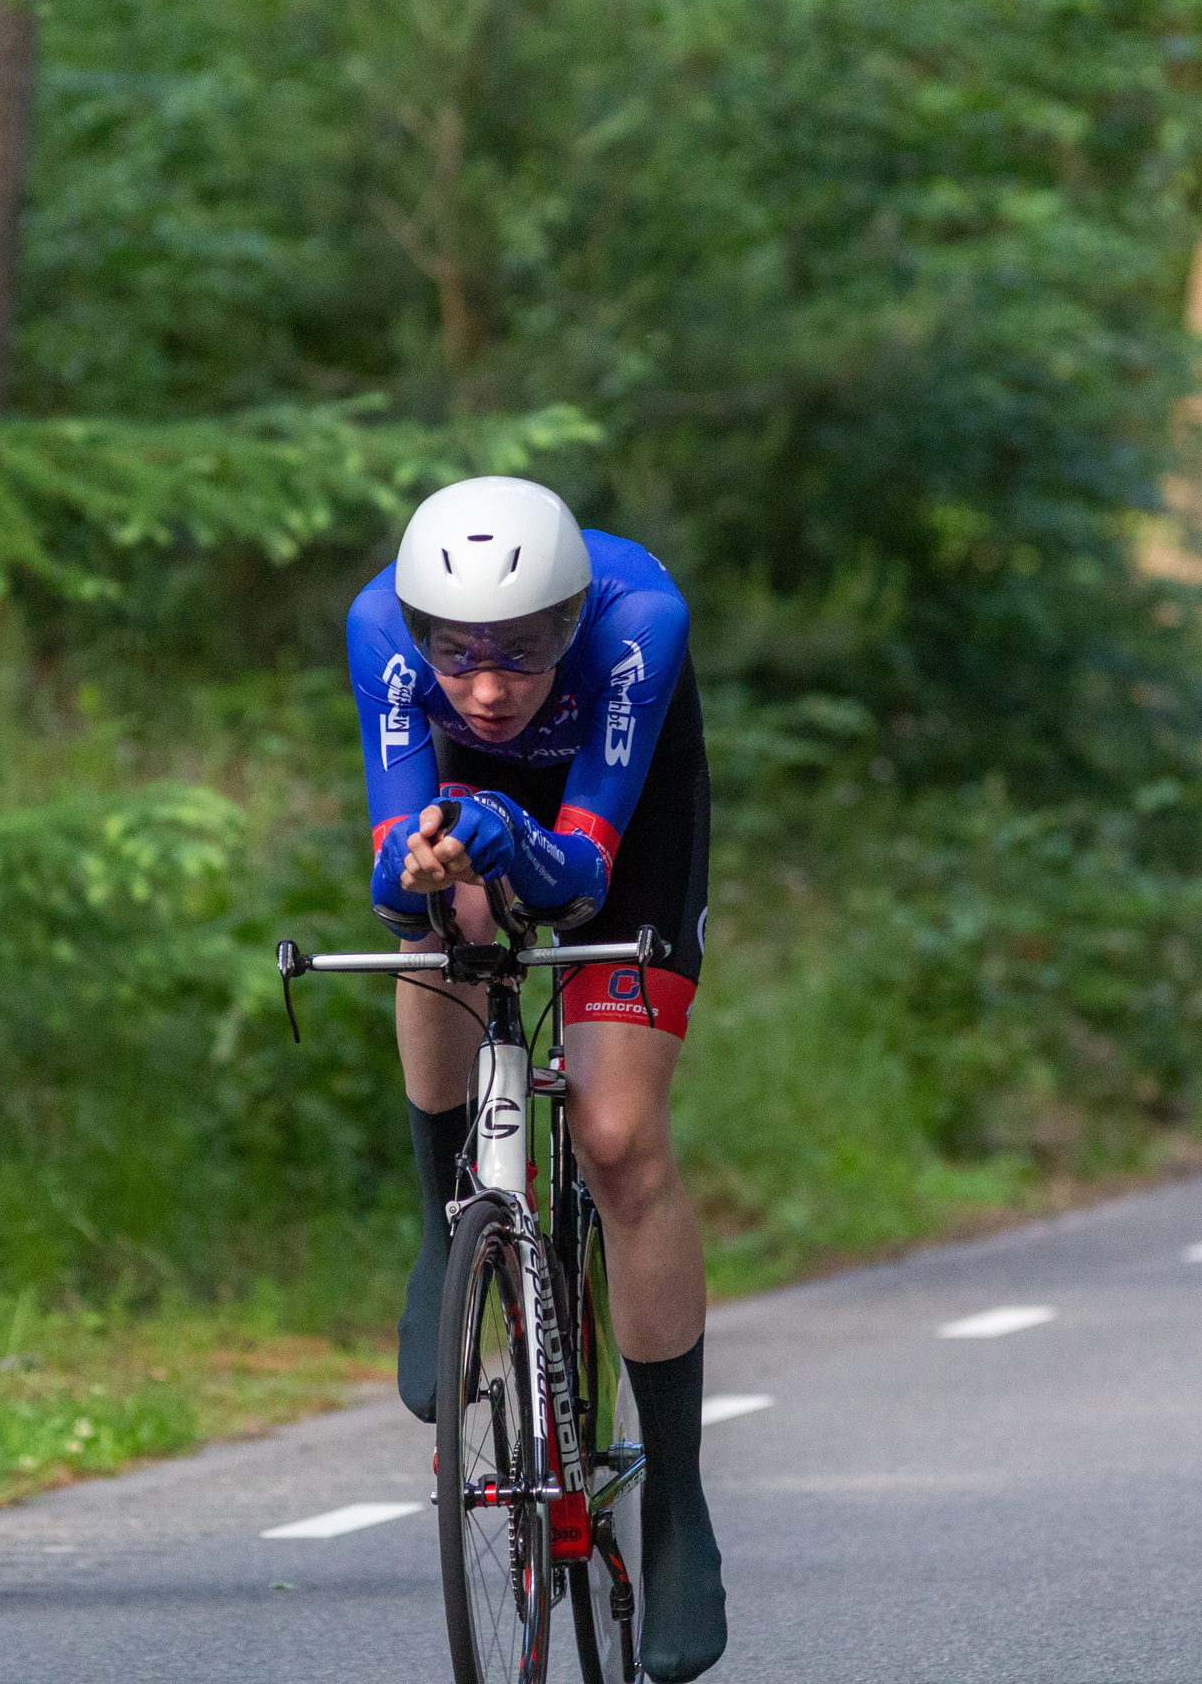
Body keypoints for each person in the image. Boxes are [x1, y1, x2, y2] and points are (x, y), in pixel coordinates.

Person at [346, 475, 727, 1681]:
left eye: (519, 656)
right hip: (477, 808)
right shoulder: (379, 632)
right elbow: (387, 879)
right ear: (417, 635)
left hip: (620, 827)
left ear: (569, 626)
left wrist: (521, 847)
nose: (490, 688)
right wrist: (435, 863)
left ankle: (676, 1508)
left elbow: (580, 878)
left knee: (616, 1140)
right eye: (456, 658)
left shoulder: (637, 630)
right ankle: (440, 1224)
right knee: (435, 924)